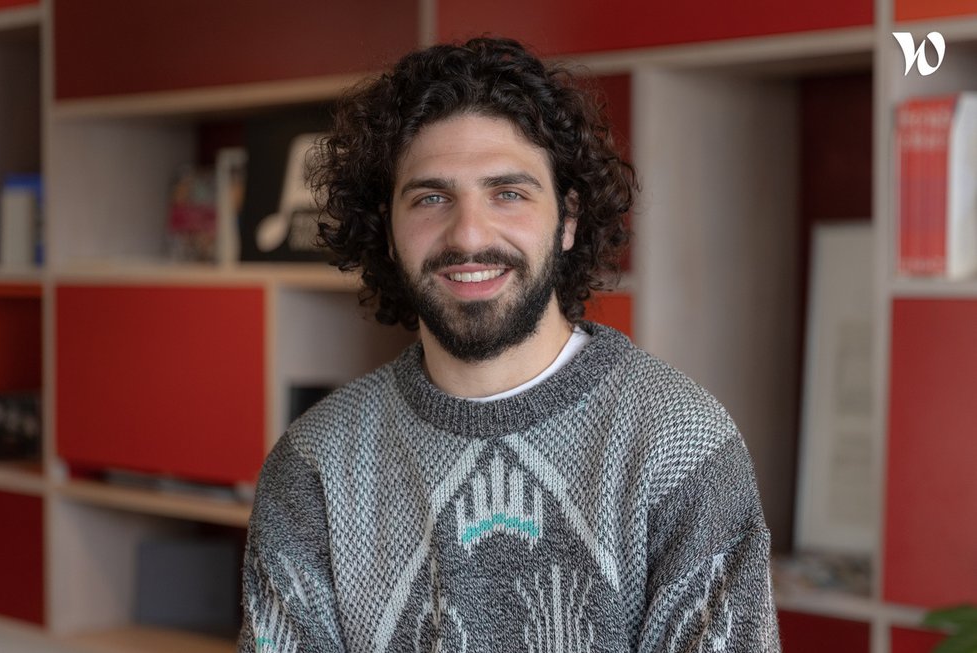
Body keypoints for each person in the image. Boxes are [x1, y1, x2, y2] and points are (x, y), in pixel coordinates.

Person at [239, 36, 781, 653]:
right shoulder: (313, 467)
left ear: (568, 219)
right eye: (432, 198)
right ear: (387, 230)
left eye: (509, 193)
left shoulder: (682, 448)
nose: (469, 234)